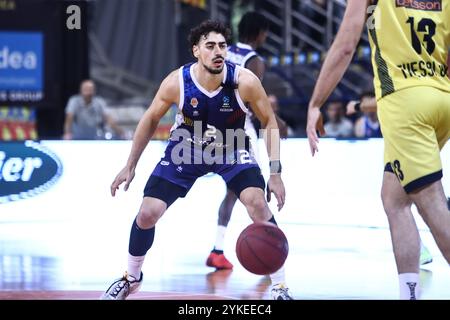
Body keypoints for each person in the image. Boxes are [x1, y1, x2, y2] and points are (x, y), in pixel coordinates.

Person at [101, 20, 293, 300]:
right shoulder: (177, 82)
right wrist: (130, 165)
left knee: (257, 203)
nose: (218, 52)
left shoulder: (244, 81)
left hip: (231, 145)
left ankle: (280, 287)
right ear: (196, 51)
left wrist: (275, 173)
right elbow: (151, 118)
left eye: (222, 46)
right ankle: (131, 278)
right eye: (210, 46)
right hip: (186, 147)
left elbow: (269, 122)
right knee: (147, 213)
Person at [306, 0, 450, 300]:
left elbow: (346, 45)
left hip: (404, 104)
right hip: (442, 98)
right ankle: (408, 294)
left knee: (432, 202)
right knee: (394, 198)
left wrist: (316, 102)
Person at [206, 12, 288, 270]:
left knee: (232, 190)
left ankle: (217, 249)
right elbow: (254, 103)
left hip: (208, 127)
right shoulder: (253, 61)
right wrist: (277, 122)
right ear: (260, 33)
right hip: (239, 127)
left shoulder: (221, 51)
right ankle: (271, 252)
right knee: (257, 187)